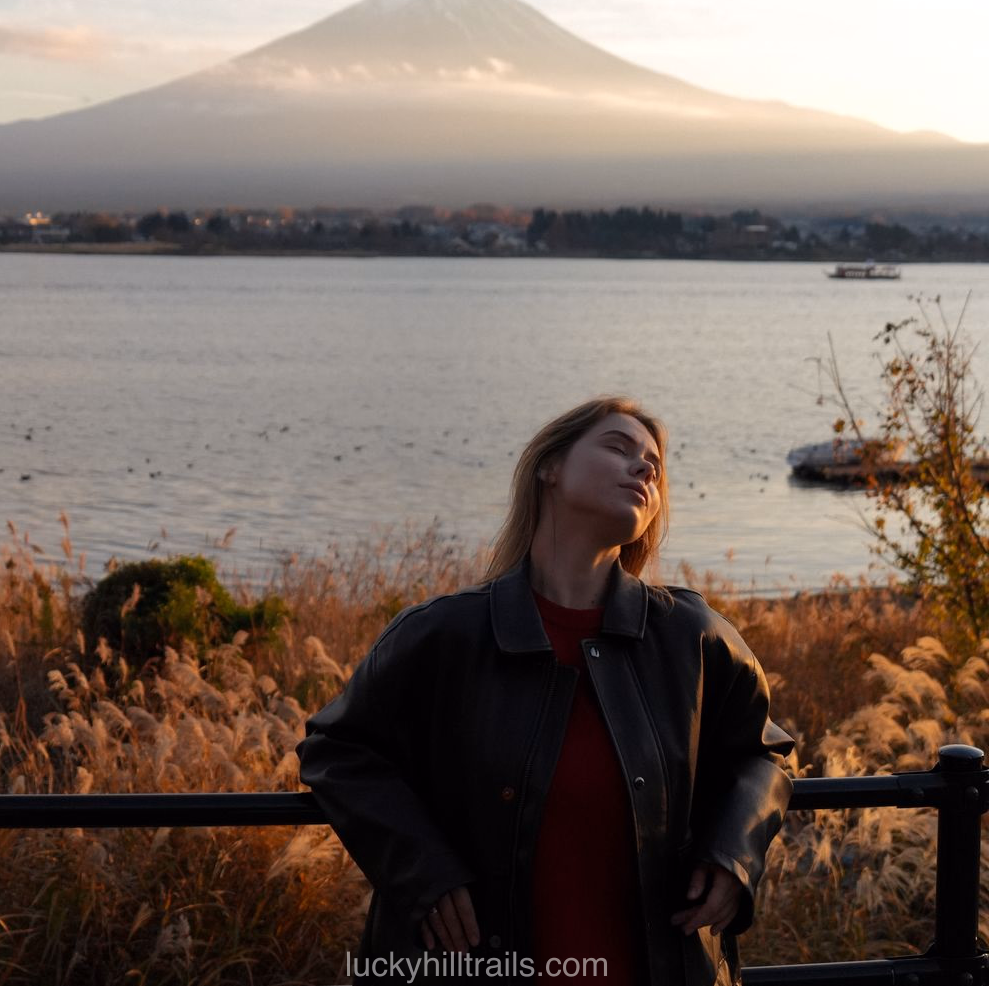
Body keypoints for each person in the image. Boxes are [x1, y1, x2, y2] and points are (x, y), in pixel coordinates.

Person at [296, 395, 795, 985]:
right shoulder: (443, 634)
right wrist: (422, 870)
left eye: (654, 465)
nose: (645, 469)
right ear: (548, 468)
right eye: (618, 447)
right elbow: (337, 749)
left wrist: (733, 854)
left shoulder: (691, 636)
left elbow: (765, 752)